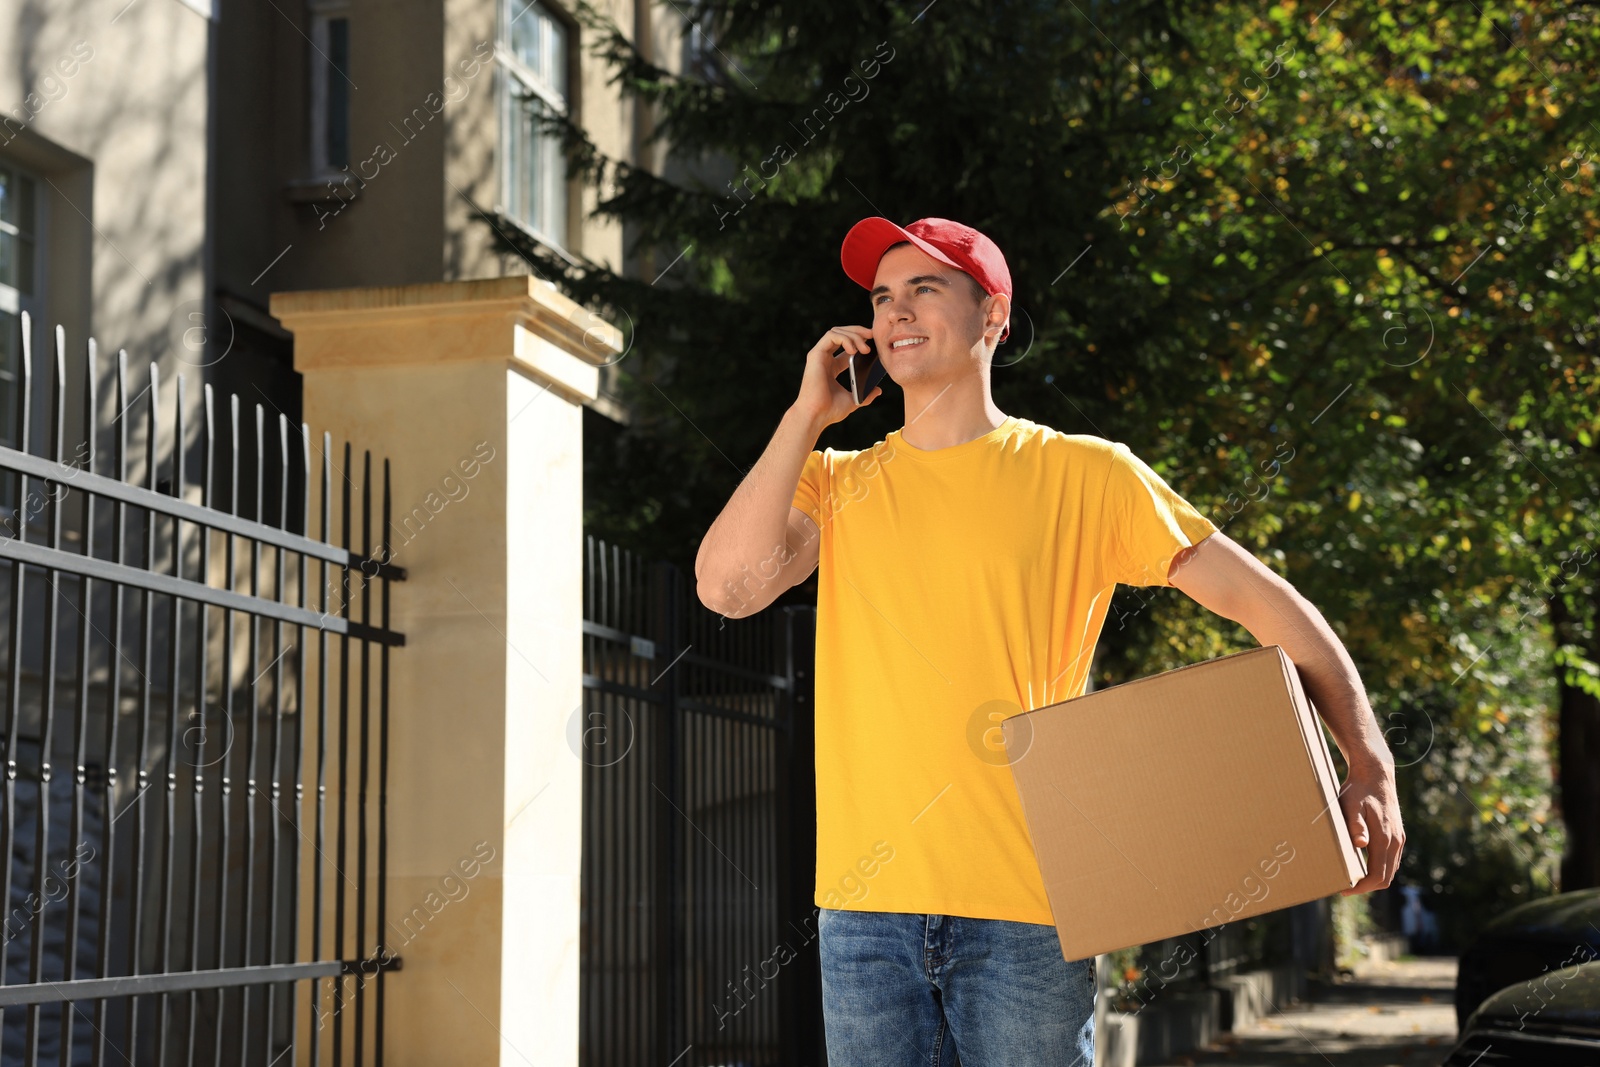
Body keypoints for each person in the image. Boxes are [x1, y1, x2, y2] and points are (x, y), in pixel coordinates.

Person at [693, 216, 1404, 1065]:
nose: (895, 313)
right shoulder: (835, 482)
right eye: (883, 297)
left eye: (925, 288)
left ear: (993, 315)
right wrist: (806, 416)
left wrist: (1369, 762)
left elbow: (1270, 605)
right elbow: (726, 589)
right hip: (865, 907)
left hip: (1030, 910)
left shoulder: (1086, 475)